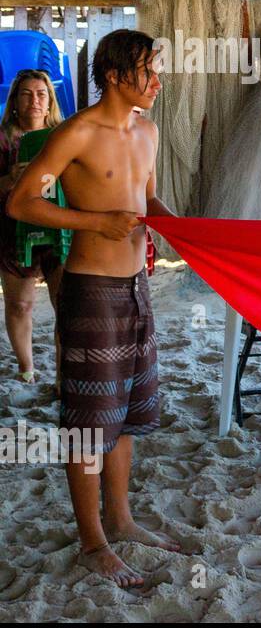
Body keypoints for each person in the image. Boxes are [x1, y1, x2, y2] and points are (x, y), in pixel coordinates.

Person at [9, 29, 179, 588]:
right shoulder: (76, 133)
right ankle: (91, 542)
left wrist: (175, 223)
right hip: (91, 291)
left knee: (125, 413)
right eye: (146, 71)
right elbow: (22, 200)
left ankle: (122, 520)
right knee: (88, 423)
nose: (156, 81)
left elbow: (145, 197)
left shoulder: (148, 130)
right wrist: (93, 221)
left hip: (137, 289)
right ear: (113, 75)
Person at [0, 69, 65, 382]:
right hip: (13, 232)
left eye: (41, 94)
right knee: (19, 305)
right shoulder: (2, 140)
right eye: (26, 93)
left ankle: (64, 377)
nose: (34, 100)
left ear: (50, 100)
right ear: (15, 101)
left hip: (58, 230)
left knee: (65, 307)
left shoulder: (64, 137)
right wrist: (10, 179)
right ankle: (27, 370)